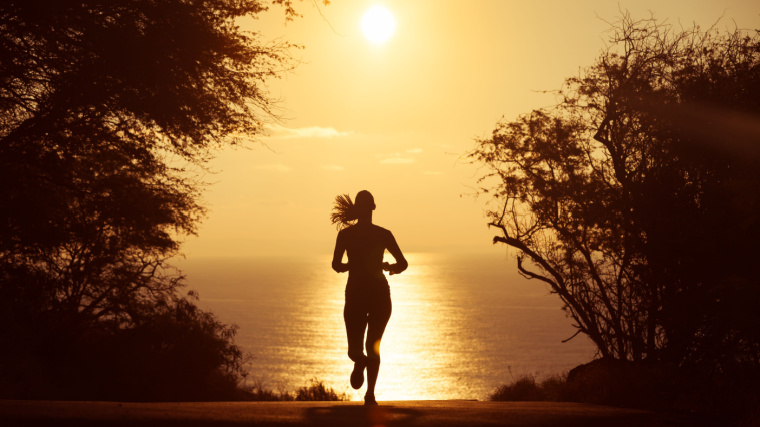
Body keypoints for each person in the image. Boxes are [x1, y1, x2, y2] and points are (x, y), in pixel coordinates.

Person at [331, 190, 407, 406]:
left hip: (356, 293)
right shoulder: (383, 234)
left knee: (356, 349)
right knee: (373, 345)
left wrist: (349, 266)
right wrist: (390, 267)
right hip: (378, 294)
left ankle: (366, 379)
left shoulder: (346, 235)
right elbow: (403, 263)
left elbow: (336, 265)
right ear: (373, 207)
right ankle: (370, 394)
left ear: (358, 208)